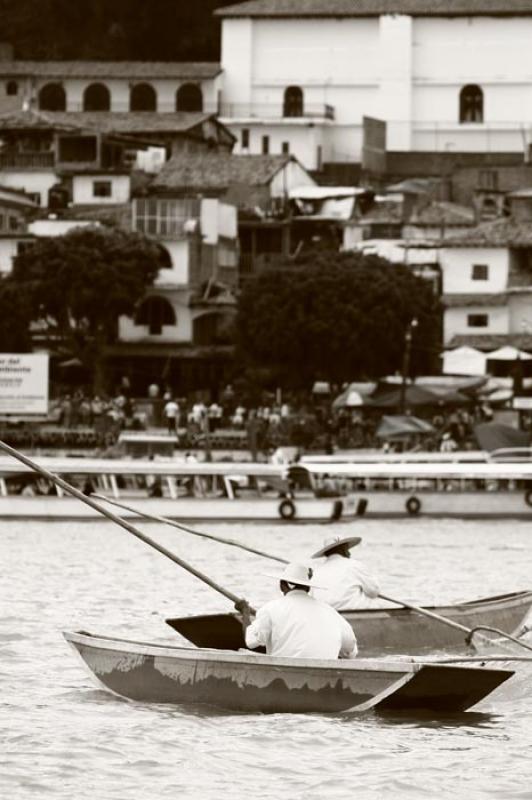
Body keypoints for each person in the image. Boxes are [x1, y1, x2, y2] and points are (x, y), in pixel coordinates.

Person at [235, 562, 357, 659]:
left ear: (282, 585)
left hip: (283, 675)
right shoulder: (331, 612)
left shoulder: (270, 608)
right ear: (308, 588)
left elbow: (250, 641)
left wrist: (245, 612)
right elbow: (350, 650)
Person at [309, 536, 380, 611]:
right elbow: (374, 592)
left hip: (327, 615)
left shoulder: (317, 571)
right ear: (343, 550)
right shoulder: (355, 565)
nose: (349, 553)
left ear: (326, 553)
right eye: (347, 549)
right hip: (353, 613)